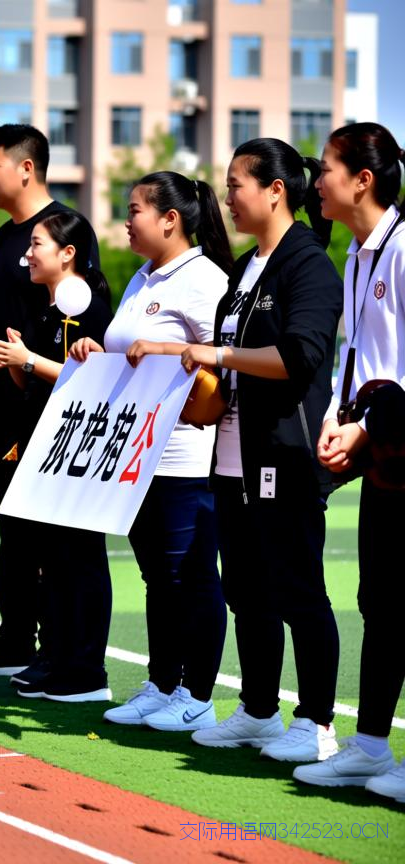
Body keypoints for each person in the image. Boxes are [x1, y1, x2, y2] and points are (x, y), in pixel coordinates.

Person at [178, 138, 343, 762]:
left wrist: (217, 356)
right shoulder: (246, 269)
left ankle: (319, 722)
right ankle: (257, 710)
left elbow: (300, 357)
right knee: (245, 592)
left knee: (298, 590)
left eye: (236, 183)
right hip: (230, 459)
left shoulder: (308, 263)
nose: (227, 196)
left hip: (286, 456)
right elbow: (227, 367)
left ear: (275, 189)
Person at [69, 171, 233, 728]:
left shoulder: (205, 279)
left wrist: (171, 349)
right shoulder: (142, 277)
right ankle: (163, 683)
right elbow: (129, 351)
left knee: (192, 576)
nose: (126, 220)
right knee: (157, 578)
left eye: (135, 209)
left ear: (171, 218)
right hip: (136, 454)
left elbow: (222, 359)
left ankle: (199, 696)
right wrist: (97, 349)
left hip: (187, 455)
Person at [0, 123, 100, 677]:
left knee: (48, 539)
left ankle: (57, 653)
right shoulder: (2, 237)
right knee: (13, 530)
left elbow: (84, 318)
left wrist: (33, 366)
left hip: (47, 407)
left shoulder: (69, 228)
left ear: (25, 168)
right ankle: (16, 640)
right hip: (3, 404)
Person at [295, 124, 405, 793]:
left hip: (398, 437)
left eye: (328, 168)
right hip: (383, 445)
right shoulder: (360, 254)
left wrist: (367, 427)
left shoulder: (402, 247)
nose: (318, 182)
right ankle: (369, 745)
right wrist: (341, 419)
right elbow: (357, 355)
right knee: (381, 599)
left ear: (363, 179)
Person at [0, 210, 114, 702]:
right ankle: (55, 656)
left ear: (68, 253)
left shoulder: (86, 306)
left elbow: (87, 382)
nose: (26, 254)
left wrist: (28, 361)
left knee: (79, 557)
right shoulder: (47, 305)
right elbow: (36, 380)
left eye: (36, 244)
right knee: (52, 560)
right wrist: (16, 360)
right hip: (46, 444)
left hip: (75, 449)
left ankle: (85, 669)